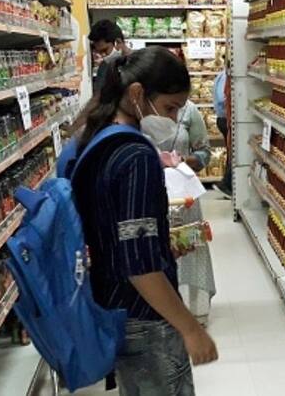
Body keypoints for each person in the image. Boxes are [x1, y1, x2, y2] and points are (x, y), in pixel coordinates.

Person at [72, 47, 218, 396]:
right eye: (169, 108)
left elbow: (116, 230)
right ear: (137, 94)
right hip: (145, 315)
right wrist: (190, 328)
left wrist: (159, 246)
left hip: (113, 302)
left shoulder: (97, 138)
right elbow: (140, 267)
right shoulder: (136, 155)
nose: (173, 119)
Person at [142, 100, 217, 326]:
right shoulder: (138, 111)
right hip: (148, 193)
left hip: (184, 196)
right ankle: (160, 309)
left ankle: (194, 309)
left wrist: (182, 160)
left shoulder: (190, 111)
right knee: (155, 249)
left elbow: (204, 153)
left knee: (189, 246)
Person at [89, 19, 132, 94]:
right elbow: (98, 95)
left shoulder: (139, 62)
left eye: (105, 50)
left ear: (118, 42)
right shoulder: (104, 67)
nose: (103, 55)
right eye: (99, 52)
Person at [212, 69, 232, 199]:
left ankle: (228, 185)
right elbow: (221, 98)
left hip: (223, 118)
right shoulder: (226, 76)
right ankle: (226, 185)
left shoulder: (221, 75)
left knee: (232, 152)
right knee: (234, 153)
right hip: (225, 118)